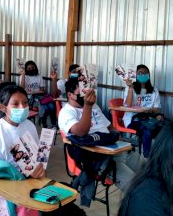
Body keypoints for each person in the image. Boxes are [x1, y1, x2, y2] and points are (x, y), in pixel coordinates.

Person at [58, 78, 141, 206]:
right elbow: (81, 132)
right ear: (70, 95)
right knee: (134, 185)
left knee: (149, 168)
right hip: (99, 159)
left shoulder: (94, 106)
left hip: (115, 149)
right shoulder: (67, 112)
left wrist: (119, 139)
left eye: (88, 91)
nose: (87, 94)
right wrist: (87, 106)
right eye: (82, 92)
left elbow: (109, 127)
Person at [0, 85, 45, 216]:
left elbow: (36, 157)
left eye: (25, 103)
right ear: (2, 107)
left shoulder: (30, 126)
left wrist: (40, 169)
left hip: (32, 183)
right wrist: (23, 177)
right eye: (15, 104)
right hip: (8, 191)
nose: (22, 108)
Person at [118, 118, 173, 216]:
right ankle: (145, 153)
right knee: (146, 132)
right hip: (108, 157)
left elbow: (111, 128)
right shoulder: (148, 201)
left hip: (125, 151)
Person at [123, 64, 163, 158]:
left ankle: (160, 157)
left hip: (148, 118)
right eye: (140, 73)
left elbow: (157, 108)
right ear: (135, 75)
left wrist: (155, 113)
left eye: (145, 73)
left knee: (165, 128)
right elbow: (128, 106)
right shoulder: (129, 88)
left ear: (149, 75)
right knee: (147, 131)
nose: (143, 75)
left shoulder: (154, 90)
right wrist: (131, 88)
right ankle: (146, 158)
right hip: (133, 119)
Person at [20, 60, 56, 128]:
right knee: (44, 106)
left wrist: (33, 92)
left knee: (51, 105)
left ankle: (53, 124)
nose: (31, 69)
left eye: (33, 67)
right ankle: (44, 123)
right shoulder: (23, 76)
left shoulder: (39, 76)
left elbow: (43, 91)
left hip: (39, 96)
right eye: (29, 68)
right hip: (29, 98)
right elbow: (21, 89)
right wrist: (23, 75)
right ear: (26, 69)